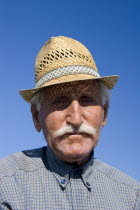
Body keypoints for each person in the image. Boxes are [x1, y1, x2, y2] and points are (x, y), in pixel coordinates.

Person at [0, 36, 140, 210]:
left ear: (105, 114)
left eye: (87, 100)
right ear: (36, 117)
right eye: (59, 101)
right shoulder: (5, 183)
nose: (75, 119)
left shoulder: (132, 196)